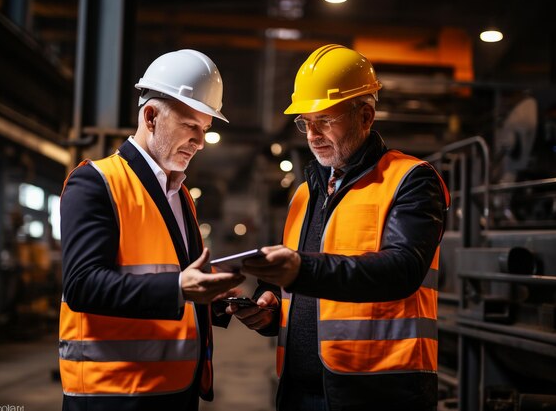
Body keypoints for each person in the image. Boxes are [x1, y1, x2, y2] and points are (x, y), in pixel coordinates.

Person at [229, 44, 450, 411]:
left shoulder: (410, 180)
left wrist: (301, 270)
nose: (312, 134)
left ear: (365, 115)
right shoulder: (304, 193)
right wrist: (270, 308)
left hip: (378, 394)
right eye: (305, 122)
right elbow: (306, 285)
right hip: (297, 392)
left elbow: (402, 270)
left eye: (325, 120)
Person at [58, 49, 245, 411]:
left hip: (174, 391)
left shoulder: (181, 195)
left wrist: (214, 302)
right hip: (113, 396)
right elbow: (82, 285)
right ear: (151, 116)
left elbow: (174, 281)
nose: (200, 141)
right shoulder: (95, 183)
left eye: (205, 129)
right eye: (192, 126)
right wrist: (179, 288)